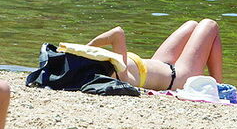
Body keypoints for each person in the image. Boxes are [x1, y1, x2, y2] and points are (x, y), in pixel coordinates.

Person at [85, 19, 223, 90]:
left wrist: (86, 48)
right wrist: (88, 46)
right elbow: (117, 33)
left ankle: (217, 85)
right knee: (210, 25)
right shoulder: (122, 76)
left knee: (192, 25)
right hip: (177, 77)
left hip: (159, 63)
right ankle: (218, 86)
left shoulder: (108, 66)